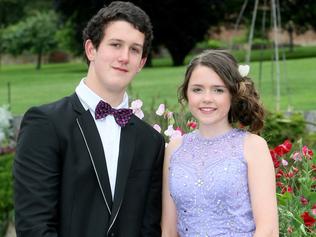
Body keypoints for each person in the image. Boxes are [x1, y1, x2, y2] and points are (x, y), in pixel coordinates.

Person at [13, 1, 165, 237]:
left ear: (142, 63)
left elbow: (149, 228)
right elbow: (34, 227)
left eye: (134, 49)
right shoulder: (46, 124)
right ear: (91, 49)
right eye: (116, 45)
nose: (124, 57)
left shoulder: (151, 141)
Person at [161, 50, 278, 236]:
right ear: (186, 93)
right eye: (197, 89)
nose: (207, 98)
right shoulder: (175, 149)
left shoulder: (252, 146)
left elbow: (268, 229)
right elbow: (168, 230)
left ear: (233, 94)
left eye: (218, 90)